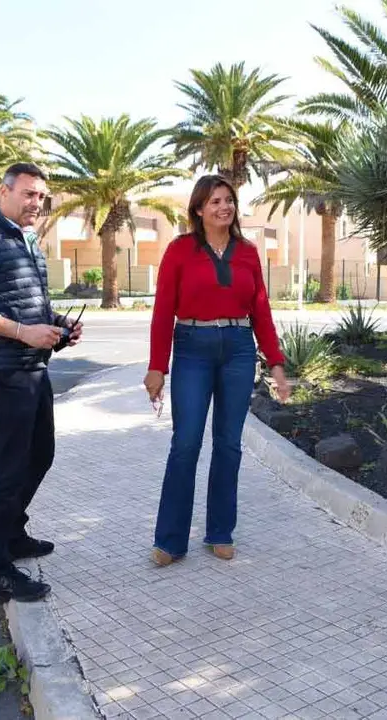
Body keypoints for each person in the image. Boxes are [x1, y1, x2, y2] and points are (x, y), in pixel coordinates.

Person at [0, 162, 82, 605]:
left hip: (33, 368)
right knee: (5, 471)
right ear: (3, 192)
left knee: (40, 455)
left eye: (41, 196)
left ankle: (12, 533)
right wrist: (24, 333)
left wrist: (57, 326)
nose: (35, 203)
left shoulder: (25, 240)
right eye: (28, 194)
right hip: (4, 372)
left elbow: (28, 304)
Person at [144, 174, 291, 566]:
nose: (224, 207)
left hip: (239, 352)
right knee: (186, 443)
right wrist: (157, 367)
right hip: (192, 349)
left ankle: (220, 531)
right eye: (215, 201)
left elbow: (261, 309)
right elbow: (162, 313)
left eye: (228, 200)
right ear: (198, 209)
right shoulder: (179, 250)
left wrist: (275, 363)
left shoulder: (247, 252)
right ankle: (171, 540)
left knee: (228, 445)